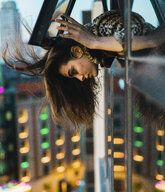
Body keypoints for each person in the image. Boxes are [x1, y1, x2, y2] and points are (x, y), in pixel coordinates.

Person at [2, 10, 165, 128]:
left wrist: (94, 42)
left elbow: (149, 36)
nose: (81, 78)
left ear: (77, 50)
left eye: (73, 72)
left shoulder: (102, 29)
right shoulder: (104, 49)